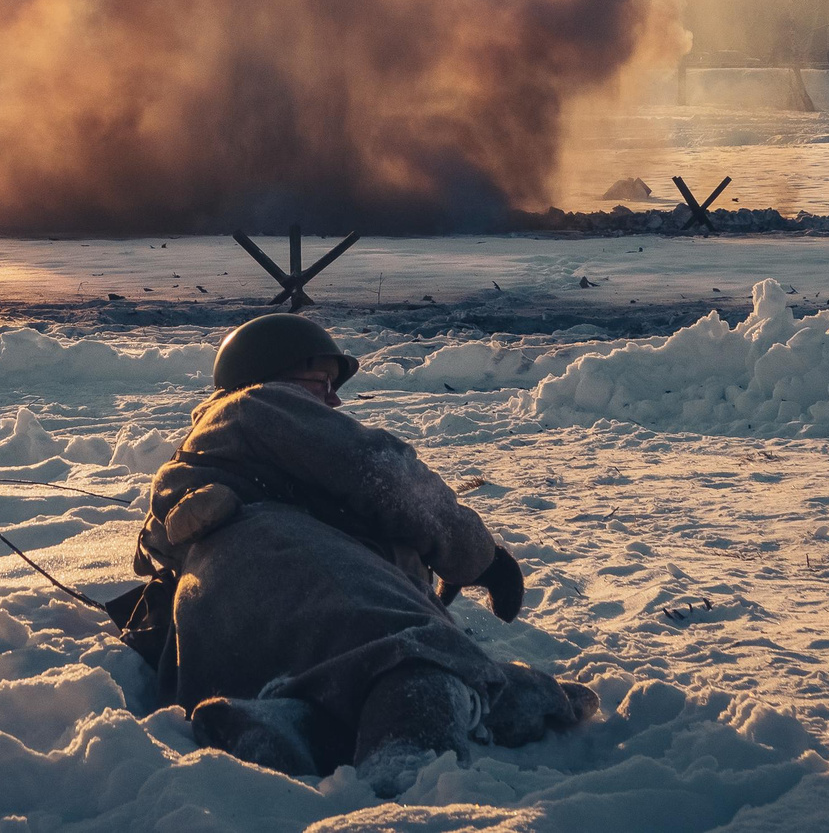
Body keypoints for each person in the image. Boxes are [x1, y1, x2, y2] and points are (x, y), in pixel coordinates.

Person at [120, 312, 594, 795]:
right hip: (301, 586)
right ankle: (432, 731)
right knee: (413, 663)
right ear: (270, 378)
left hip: (221, 645)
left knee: (337, 682)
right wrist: (479, 557)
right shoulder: (257, 404)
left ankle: (295, 726)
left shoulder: (196, 468)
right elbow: (381, 472)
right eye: (322, 383)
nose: (334, 400)